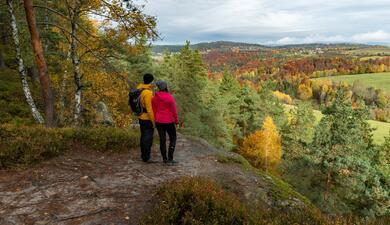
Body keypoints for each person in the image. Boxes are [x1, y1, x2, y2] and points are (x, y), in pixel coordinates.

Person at [152, 80, 179, 165]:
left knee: (162, 140)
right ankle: (170, 159)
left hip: (158, 121)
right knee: (173, 138)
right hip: (169, 121)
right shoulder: (170, 97)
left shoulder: (154, 98)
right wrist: (177, 121)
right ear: (166, 87)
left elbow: (154, 110)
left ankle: (164, 159)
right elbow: (174, 111)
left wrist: (155, 119)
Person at [138, 73, 155, 163]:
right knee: (147, 138)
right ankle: (146, 157)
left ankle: (143, 155)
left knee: (143, 136)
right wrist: (154, 121)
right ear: (151, 81)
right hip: (147, 118)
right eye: (153, 80)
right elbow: (149, 109)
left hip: (141, 117)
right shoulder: (147, 93)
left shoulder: (140, 88)